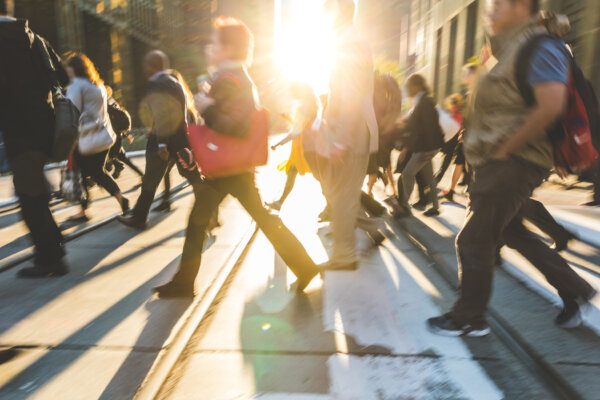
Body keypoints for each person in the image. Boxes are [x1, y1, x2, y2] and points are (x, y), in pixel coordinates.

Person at [428, 0, 596, 337]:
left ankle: (469, 317)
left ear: (521, 6)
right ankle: (574, 290)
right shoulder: (510, 49)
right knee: (511, 232)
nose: (488, 11)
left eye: (496, 5)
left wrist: (503, 151)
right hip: (500, 161)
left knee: (474, 239)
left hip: (512, 163)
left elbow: (550, 103)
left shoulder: (540, 45)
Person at [141, 18, 318, 297]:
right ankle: (304, 265)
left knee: (201, 221)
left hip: (228, 168)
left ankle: (185, 283)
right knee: (250, 218)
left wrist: (207, 106)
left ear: (228, 48)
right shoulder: (234, 77)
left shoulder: (229, 80)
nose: (210, 47)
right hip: (233, 166)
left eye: (214, 42)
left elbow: (237, 127)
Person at [0, 12, 69, 277]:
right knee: (35, 193)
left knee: (30, 198)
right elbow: (63, 77)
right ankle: (55, 253)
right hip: (45, 127)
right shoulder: (36, 38)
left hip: (19, 130)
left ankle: (49, 260)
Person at [317, 0, 383, 271]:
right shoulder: (345, 41)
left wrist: (342, 139)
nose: (323, 15)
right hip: (346, 131)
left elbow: (352, 97)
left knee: (342, 195)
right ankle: (372, 226)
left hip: (351, 132)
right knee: (339, 192)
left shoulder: (351, 43)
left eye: (326, 10)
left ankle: (345, 256)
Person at [65, 53, 130, 222]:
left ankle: (82, 210)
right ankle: (122, 200)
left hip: (85, 139)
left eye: (69, 68)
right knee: (98, 173)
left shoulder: (76, 85)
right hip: (104, 137)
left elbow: (72, 110)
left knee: (78, 172)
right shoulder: (98, 85)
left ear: (74, 69)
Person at [395, 73, 444, 217]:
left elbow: (428, 127)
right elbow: (417, 127)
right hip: (425, 146)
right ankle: (435, 207)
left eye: (408, 86)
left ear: (417, 86)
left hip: (426, 147)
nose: (407, 89)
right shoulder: (422, 101)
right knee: (429, 177)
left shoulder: (425, 102)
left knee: (407, 173)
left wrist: (428, 149)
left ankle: (404, 206)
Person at [268, 82, 318, 211]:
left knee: (321, 176)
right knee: (295, 174)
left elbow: (296, 131)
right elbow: (302, 125)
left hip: (303, 147)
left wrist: (279, 144)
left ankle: (334, 204)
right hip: (305, 145)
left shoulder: (304, 107)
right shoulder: (310, 105)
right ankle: (279, 203)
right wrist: (289, 118)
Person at [438, 94, 466, 202]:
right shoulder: (459, 110)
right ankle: (451, 190)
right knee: (458, 164)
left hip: (463, 139)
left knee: (458, 164)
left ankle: (451, 190)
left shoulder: (455, 112)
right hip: (463, 138)